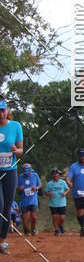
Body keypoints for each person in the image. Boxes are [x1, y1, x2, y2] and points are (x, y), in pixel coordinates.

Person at [0, 97, 24, 253]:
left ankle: (2, 241)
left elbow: (21, 150)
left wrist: (16, 150)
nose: (0, 114)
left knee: (7, 208)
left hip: (10, 171)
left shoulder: (15, 126)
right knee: (0, 205)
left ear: (7, 111)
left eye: (2, 110)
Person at [17, 162, 42, 236]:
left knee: (34, 217)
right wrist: (20, 188)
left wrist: (36, 188)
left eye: (27, 172)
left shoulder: (35, 175)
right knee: (25, 217)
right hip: (24, 200)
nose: (26, 174)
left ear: (30, 170)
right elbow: (17, 188)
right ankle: (27, 231)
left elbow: (40, 185)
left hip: (33, 200)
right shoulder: (20, 176)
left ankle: (33, 229)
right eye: (25, 172)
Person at [44, 169, 70, 235]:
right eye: (54, 174)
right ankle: (56, 230)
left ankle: (60, 225)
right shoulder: (49, 184)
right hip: (53, 203)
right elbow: (45, 192)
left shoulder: (63, 182)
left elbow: (68, 189)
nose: (55, 175)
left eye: (56, 174)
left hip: (62, 203)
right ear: (52, 175)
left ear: (58, 175)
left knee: (62, 218)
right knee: (54, 217)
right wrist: (49, 194)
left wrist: (65, 193)